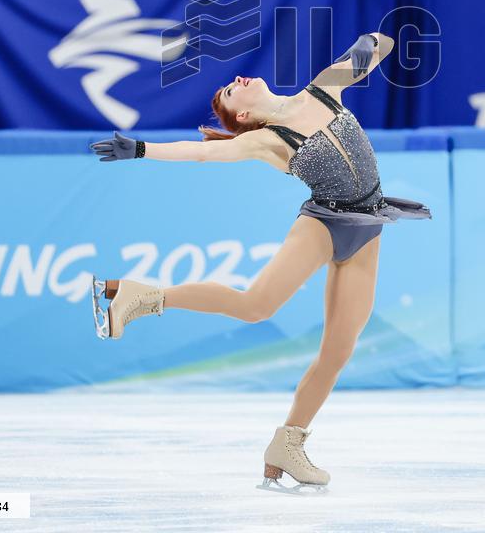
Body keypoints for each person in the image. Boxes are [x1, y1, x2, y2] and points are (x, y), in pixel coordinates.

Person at [89, 31, 432, 493]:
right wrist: (144, 150)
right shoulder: (265, 140)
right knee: (255, 305)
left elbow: (381, 45)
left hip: (370, 225)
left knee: (338, 350)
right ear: (243, 115)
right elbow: (205, 151)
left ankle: (287, 444)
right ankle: (141, 296)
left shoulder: (322, 88)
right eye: (232, 92)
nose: (237, 79)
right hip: (326, 222)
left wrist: (373, 42)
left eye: (231, 82)